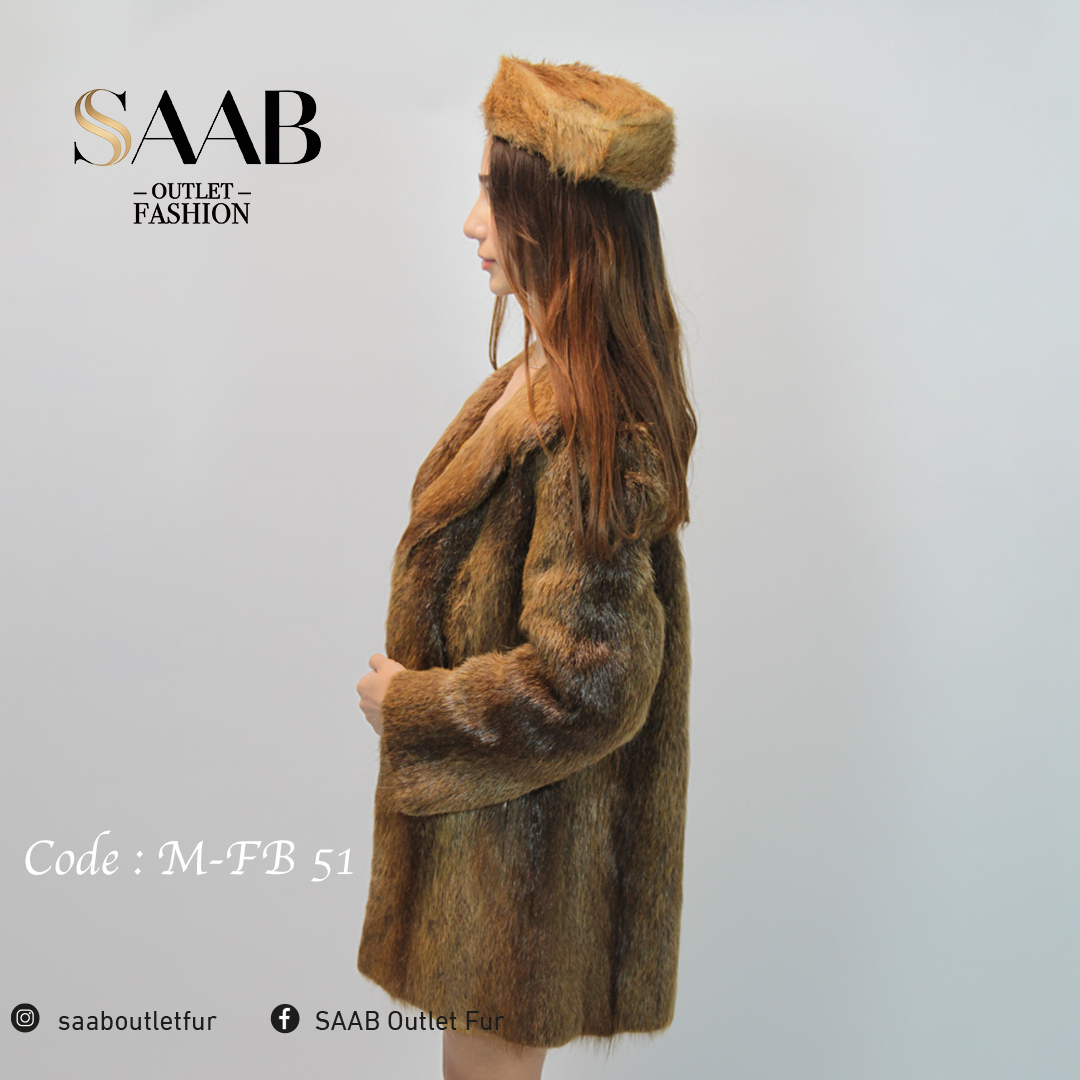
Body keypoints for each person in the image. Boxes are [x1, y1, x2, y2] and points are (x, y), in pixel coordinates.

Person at [355, 57, 695, 1080]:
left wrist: (413, 709)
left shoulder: (591, 426)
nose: (473, 226)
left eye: (492, 199)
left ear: (559, 220)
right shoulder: (536, 380)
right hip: (500, 849)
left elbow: (591, 684)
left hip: (526, 876)